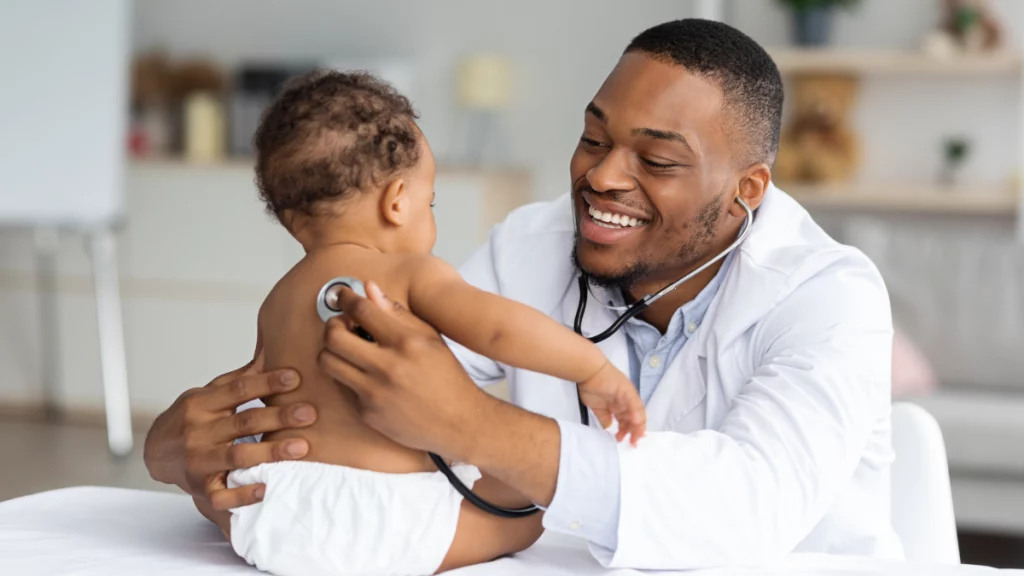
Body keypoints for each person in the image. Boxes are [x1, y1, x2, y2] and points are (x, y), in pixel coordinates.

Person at [145, 19, 902, 570]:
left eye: (657, 159)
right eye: (594, 138)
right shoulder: (531, 245)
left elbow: (748, 508)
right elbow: (369, 390)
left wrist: (476, 425)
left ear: (747, 191)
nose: (602, 176)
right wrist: (204, 448)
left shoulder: (829, 298)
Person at [216, 70, 645, 575]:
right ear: (397, 201)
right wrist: (591, 368)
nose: (430, 213)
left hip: (279, 509)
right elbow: (497, 330)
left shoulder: (278, 298)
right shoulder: (408, 272)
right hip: (388, 521)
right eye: (430, 201)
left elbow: (262, 389)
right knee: (531, 511)